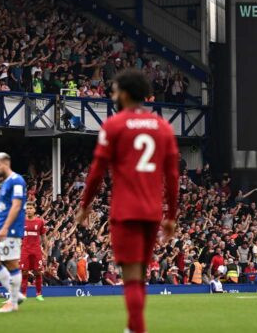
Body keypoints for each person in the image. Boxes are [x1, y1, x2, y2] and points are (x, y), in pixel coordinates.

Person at [76, 69, 180, 333]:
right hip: (152, 212)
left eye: (113, 91)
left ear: (123, 93)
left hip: (125, 212)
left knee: (132, 279)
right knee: (141, 276)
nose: (113, 95)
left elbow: (97, 172)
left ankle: (136, 328)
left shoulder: (114, 125)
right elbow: (173, 176)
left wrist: (85, 205)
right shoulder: (163, 127)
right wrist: (172, 216)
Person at [0, 152, 27, 313]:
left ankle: (13, 302)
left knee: (11, 263)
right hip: (1, 228)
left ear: (6, 164)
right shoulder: (4, 183)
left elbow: (16, 205)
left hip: (11, 229)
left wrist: (6, 227)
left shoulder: (17, 180)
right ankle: (16, 296)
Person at [20, 202, 46, 301]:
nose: (29, 210)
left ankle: (39, 294)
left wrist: (45, 249)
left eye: (31, 208)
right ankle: (23, 294)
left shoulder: (40, 221)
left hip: (36, 250)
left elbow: (43, 236)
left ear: (34, 210)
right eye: (27, 208)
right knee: (24, 272)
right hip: (25, 250)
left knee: (38, 272)